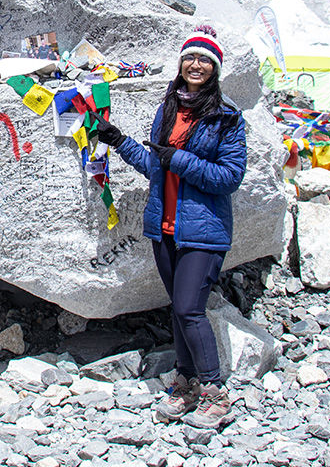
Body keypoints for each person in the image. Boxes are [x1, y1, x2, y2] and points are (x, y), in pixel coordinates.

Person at [90, 24, 247, 429]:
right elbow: (153, 166)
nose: (196, 65)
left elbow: (230, 177)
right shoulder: (169, 108)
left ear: (215, 69)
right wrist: (120, 140)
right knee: (178, 309)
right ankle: (185, 382)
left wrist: (177, 160)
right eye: (190, 58)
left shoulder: (227, 116)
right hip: (166, 226)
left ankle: (215, 392)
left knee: (190, 309)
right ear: (180, 64)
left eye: (205, 60)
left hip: (203, 230)